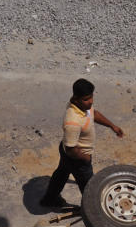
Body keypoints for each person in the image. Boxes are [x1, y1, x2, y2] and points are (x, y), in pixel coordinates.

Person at [40, 78, 124, 208]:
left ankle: (49, 200)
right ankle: (92, 211)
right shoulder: (72, 121)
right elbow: (70, 150)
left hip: (68, 151)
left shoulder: (84, 106)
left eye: (91, 97)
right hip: (77, 157)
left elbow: (93, 114)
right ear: (76, 98)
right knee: (89, 187)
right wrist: (86, 157)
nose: (90, 102)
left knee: (61, 174)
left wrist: (112, 126)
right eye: (86, 99)